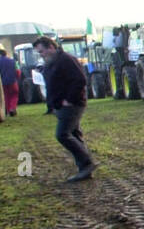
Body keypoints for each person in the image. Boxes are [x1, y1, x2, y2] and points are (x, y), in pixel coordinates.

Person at [34, 36, 97, 182]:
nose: (41, 55)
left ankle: (87, 163)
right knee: (74, 135)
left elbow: (80, 80)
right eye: (39, 53)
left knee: (62, 134)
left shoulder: (66, 60)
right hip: (60, 106)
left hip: (72, 105)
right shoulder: (52, 62)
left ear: (51, 47)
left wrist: (69, 99)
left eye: (42, 51)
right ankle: (84, 169)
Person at [0, 48, 18, 117]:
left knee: (6, 96)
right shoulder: (12, 61)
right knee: (14, 95)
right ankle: (12, 108)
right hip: (12, 81)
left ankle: (8, 111)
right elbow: (17, 71)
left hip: (3, 82)